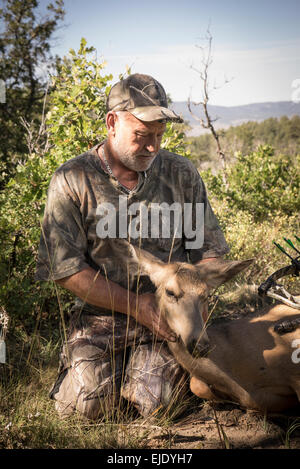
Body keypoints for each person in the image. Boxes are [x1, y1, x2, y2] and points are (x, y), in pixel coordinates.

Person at [35, 73, 229, 420]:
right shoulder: (73, 179)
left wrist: (193, 305)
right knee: (85, 407)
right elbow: (66, 270)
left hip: (172, 317)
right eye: (142, 135)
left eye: (159, 135)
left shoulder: (182, 175)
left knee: (157, 405)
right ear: (112, 123)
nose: (153, 147)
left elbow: (207, 252)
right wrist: (137, 306)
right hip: (100, 317)